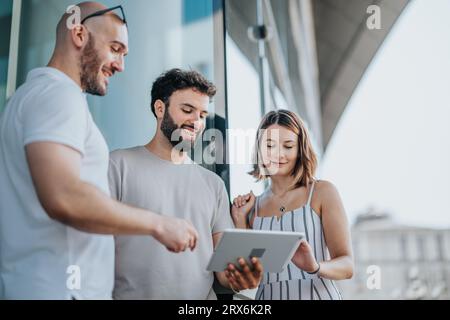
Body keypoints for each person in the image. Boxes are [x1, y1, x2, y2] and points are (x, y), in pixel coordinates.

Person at [0, 2, 197, 300]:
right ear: (79, 34)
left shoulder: (34, 96)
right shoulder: (59, 95)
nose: (120, 65)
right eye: (115, 48)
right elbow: (64, 196)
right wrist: (159, 224)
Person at [109, 68, 263, 300]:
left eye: (202, 114)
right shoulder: (118, 164)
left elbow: (223, 272)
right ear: (159, 108)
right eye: (187, 110)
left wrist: (240, 278)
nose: (196, 122)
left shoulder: (213, 184)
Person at [231, 110, 354, 300]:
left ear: (300, 150)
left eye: (288, 146)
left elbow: (347, 266)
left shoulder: (322, 192)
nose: (278, 154)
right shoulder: (252, 208)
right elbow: (246, 274)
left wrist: (315, 267)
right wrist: (239, 219)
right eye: (269, 145)